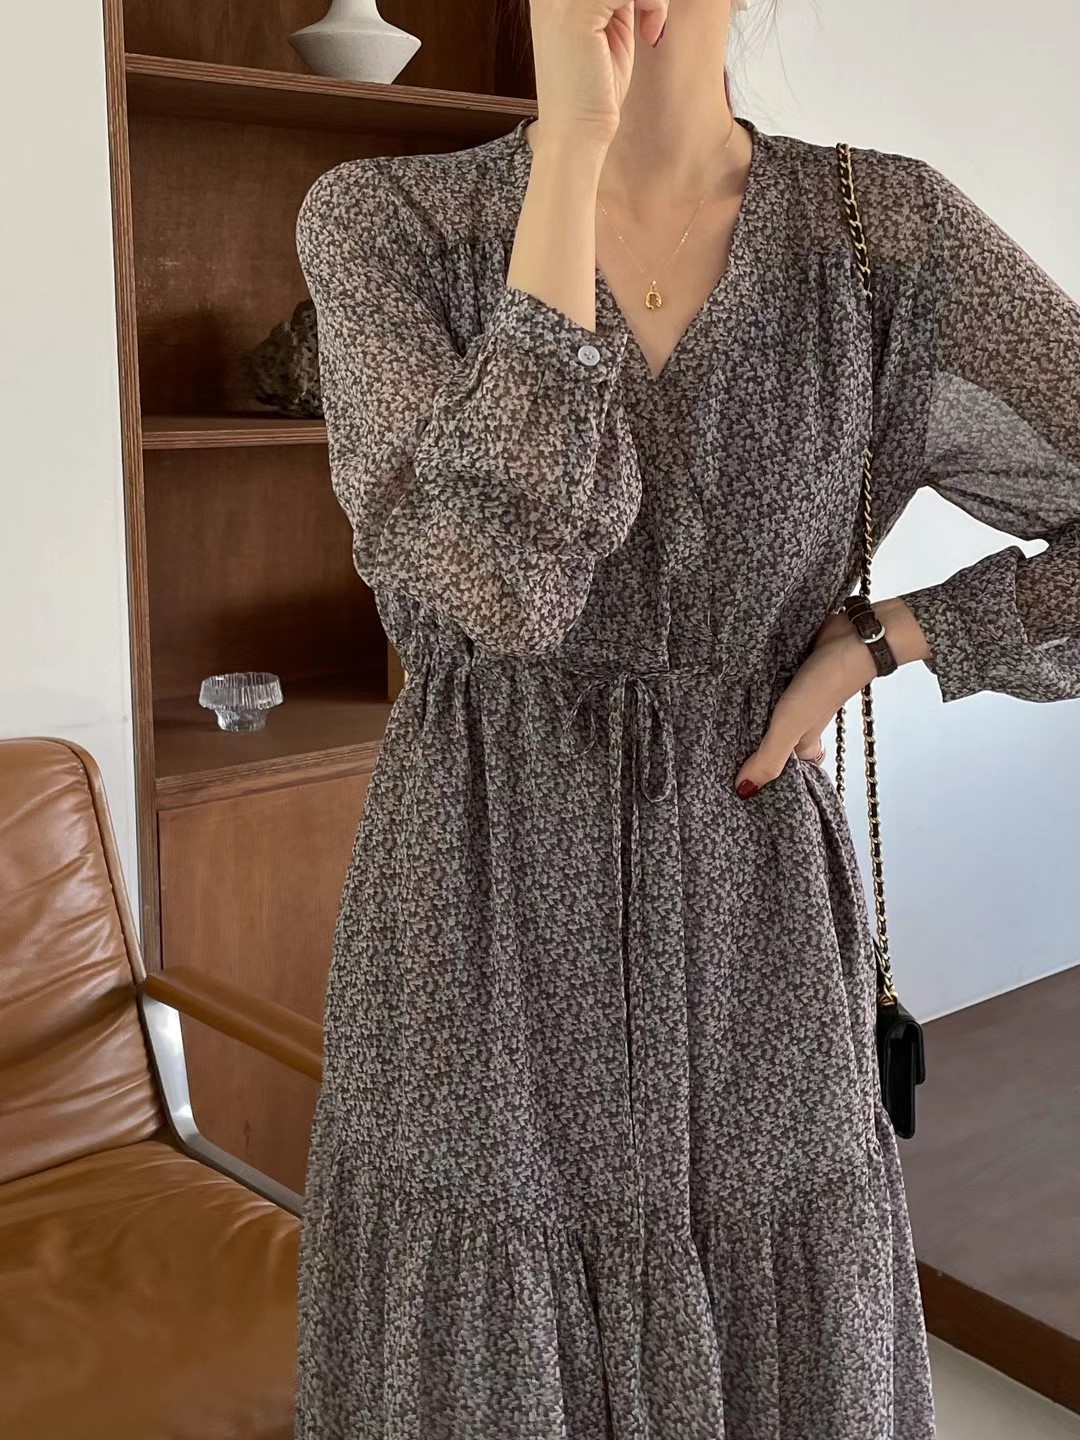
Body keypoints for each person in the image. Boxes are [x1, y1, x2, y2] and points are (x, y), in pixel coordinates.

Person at [291, 0, 1080, 1434]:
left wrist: (893, 637)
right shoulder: (389, 226)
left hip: (751, 925)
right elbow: (498, 586)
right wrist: (568, 160)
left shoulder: (884, 242)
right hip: (474, 932)